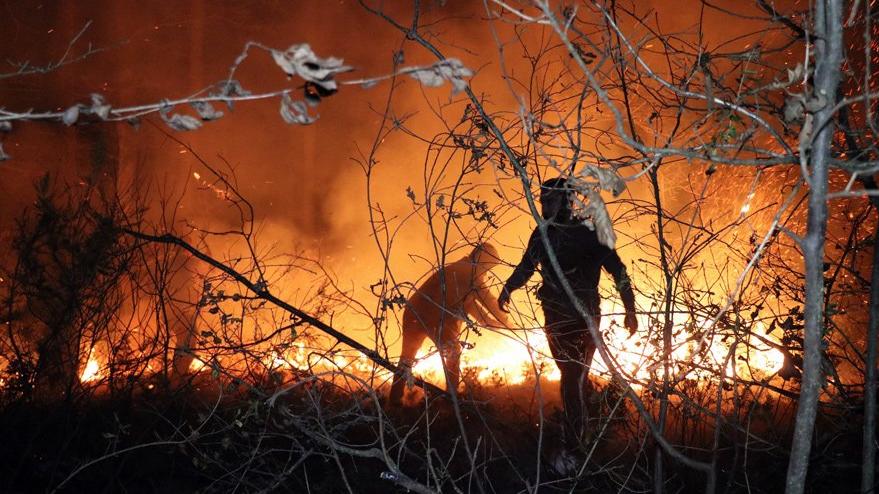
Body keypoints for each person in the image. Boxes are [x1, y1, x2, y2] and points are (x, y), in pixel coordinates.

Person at [498, 177, 637, 439]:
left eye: (549, 200)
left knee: (572, 377)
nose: (544, 206)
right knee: (571, 375)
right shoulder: (543, 234)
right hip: (556, 318)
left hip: (585, 318)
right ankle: (591, 421)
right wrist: (508, 288)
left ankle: (576, 441)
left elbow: (618, 271)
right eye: (542, 200)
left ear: (565, 200)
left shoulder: (590, 233)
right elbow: (527, 265)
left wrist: (630, 308)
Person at [390, 243, 510, 406]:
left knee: (406, 358)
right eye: (488, 266)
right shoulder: (469, 272)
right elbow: (487, 299)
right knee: (453, 354)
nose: (487, 271)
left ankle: (393, 402)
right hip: (434, 316)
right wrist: (507, 322)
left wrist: (490, 322)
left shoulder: (460, 272)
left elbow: (470, 305)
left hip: (414, 313)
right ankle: (451, 402)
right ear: (482, 260)